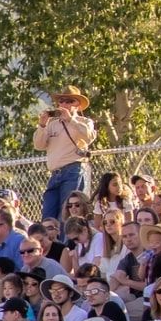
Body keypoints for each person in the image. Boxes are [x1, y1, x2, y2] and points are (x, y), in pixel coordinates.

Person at [35, 86, 95, 222]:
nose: (64, 105)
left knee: (68, 213)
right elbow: (39, 145)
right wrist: (42, 125)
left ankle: (67, 242)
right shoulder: (53, 124)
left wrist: (71, 120)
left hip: (73, 170)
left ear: (77, 105)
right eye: (62, 101)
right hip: (55, 173)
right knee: (48, 215)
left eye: (69, 101)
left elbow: (89, 136)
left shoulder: (85, 122)